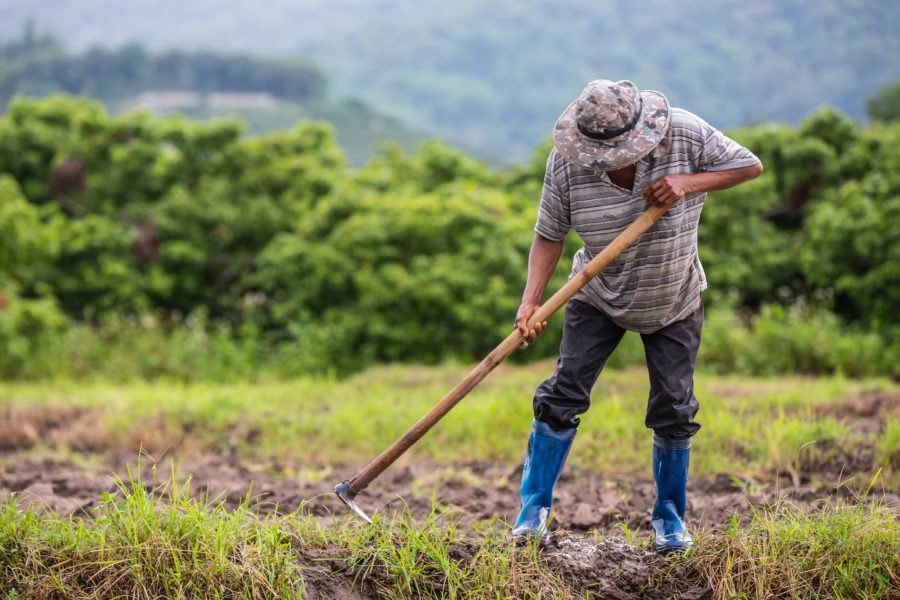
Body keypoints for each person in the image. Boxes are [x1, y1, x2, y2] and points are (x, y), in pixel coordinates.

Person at [511, 79, 763, 554]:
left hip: (674, 296)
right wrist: (531, 302)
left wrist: (687, 183)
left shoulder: (685, 133)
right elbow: (549, 233)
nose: (607, 162)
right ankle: (532, 515)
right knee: (562, 394)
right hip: (596, 292)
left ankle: (669, 521)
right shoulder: (567, 163)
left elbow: (748, 165)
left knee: (673, 407)